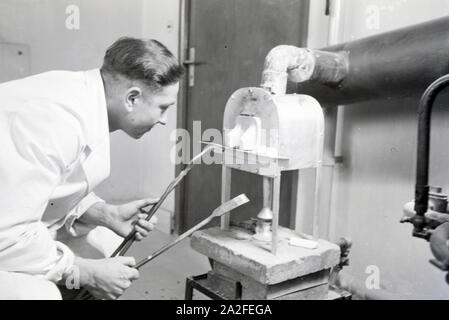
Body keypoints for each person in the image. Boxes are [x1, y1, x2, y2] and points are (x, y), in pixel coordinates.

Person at [0, 37, 185, 299]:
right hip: (5, 238)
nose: (164, 120)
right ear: (132, 98)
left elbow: (49, 186)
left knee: (104, 248)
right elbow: (8, 238)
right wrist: (87, 273)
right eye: (163, 108)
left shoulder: (85, 97)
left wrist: (104, 214)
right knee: (40, 295)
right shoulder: (54, 120)